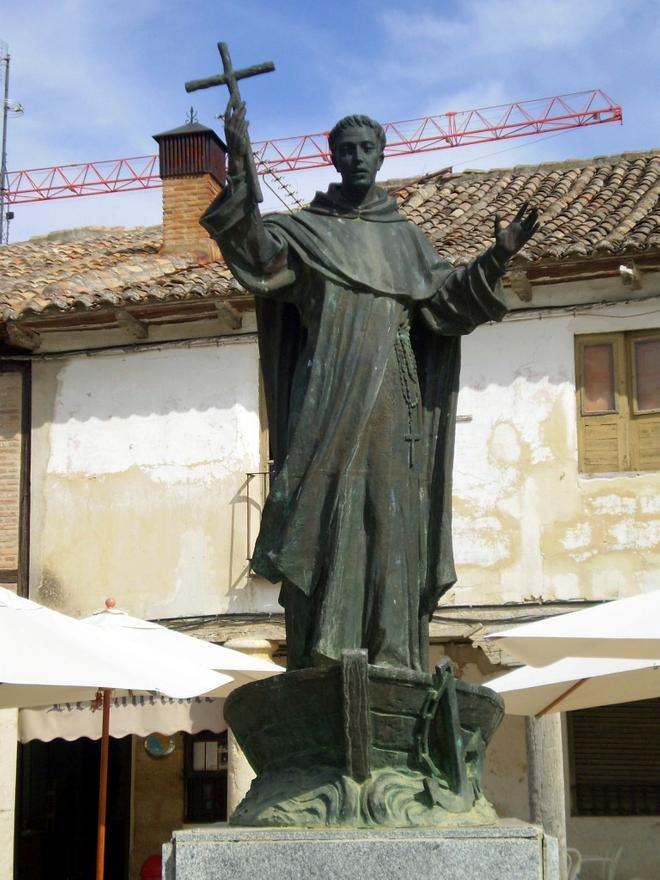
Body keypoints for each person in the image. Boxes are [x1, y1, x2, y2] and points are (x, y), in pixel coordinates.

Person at [201, 96, 538, 672]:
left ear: (382, 156)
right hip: (325, 399)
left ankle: (393, 655)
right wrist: (238, 165)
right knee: (328, 515)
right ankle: (323, 652)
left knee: (391, 516)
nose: (358, 158)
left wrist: (494, 259)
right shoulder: (306, 232)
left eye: (367, 149)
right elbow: (255, 252)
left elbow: (444, 305)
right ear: (333, 158)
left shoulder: (405, 240)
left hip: (394, 398)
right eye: (347, 150)